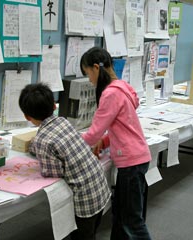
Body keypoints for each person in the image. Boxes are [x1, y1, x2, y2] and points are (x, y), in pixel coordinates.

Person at [18, 83, 111, 240]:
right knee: (91, 233)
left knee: (82, 236)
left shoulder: (43, 140)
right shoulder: (63, 121)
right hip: (100, 188)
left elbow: (53, 174)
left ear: (27, 117)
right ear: (54, 106)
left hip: (84, 201)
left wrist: (40, 154)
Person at [80, 47, 152, 240]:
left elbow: (93, 133)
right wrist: (104, 142)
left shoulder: (110, 94)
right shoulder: (123, 87)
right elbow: (121, 127)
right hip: (136, 159)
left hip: (130, 163)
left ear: (96, 68)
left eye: (88, 74)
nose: (89, 80)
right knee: (120, 216)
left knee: (132, 222)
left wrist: (69, 141)